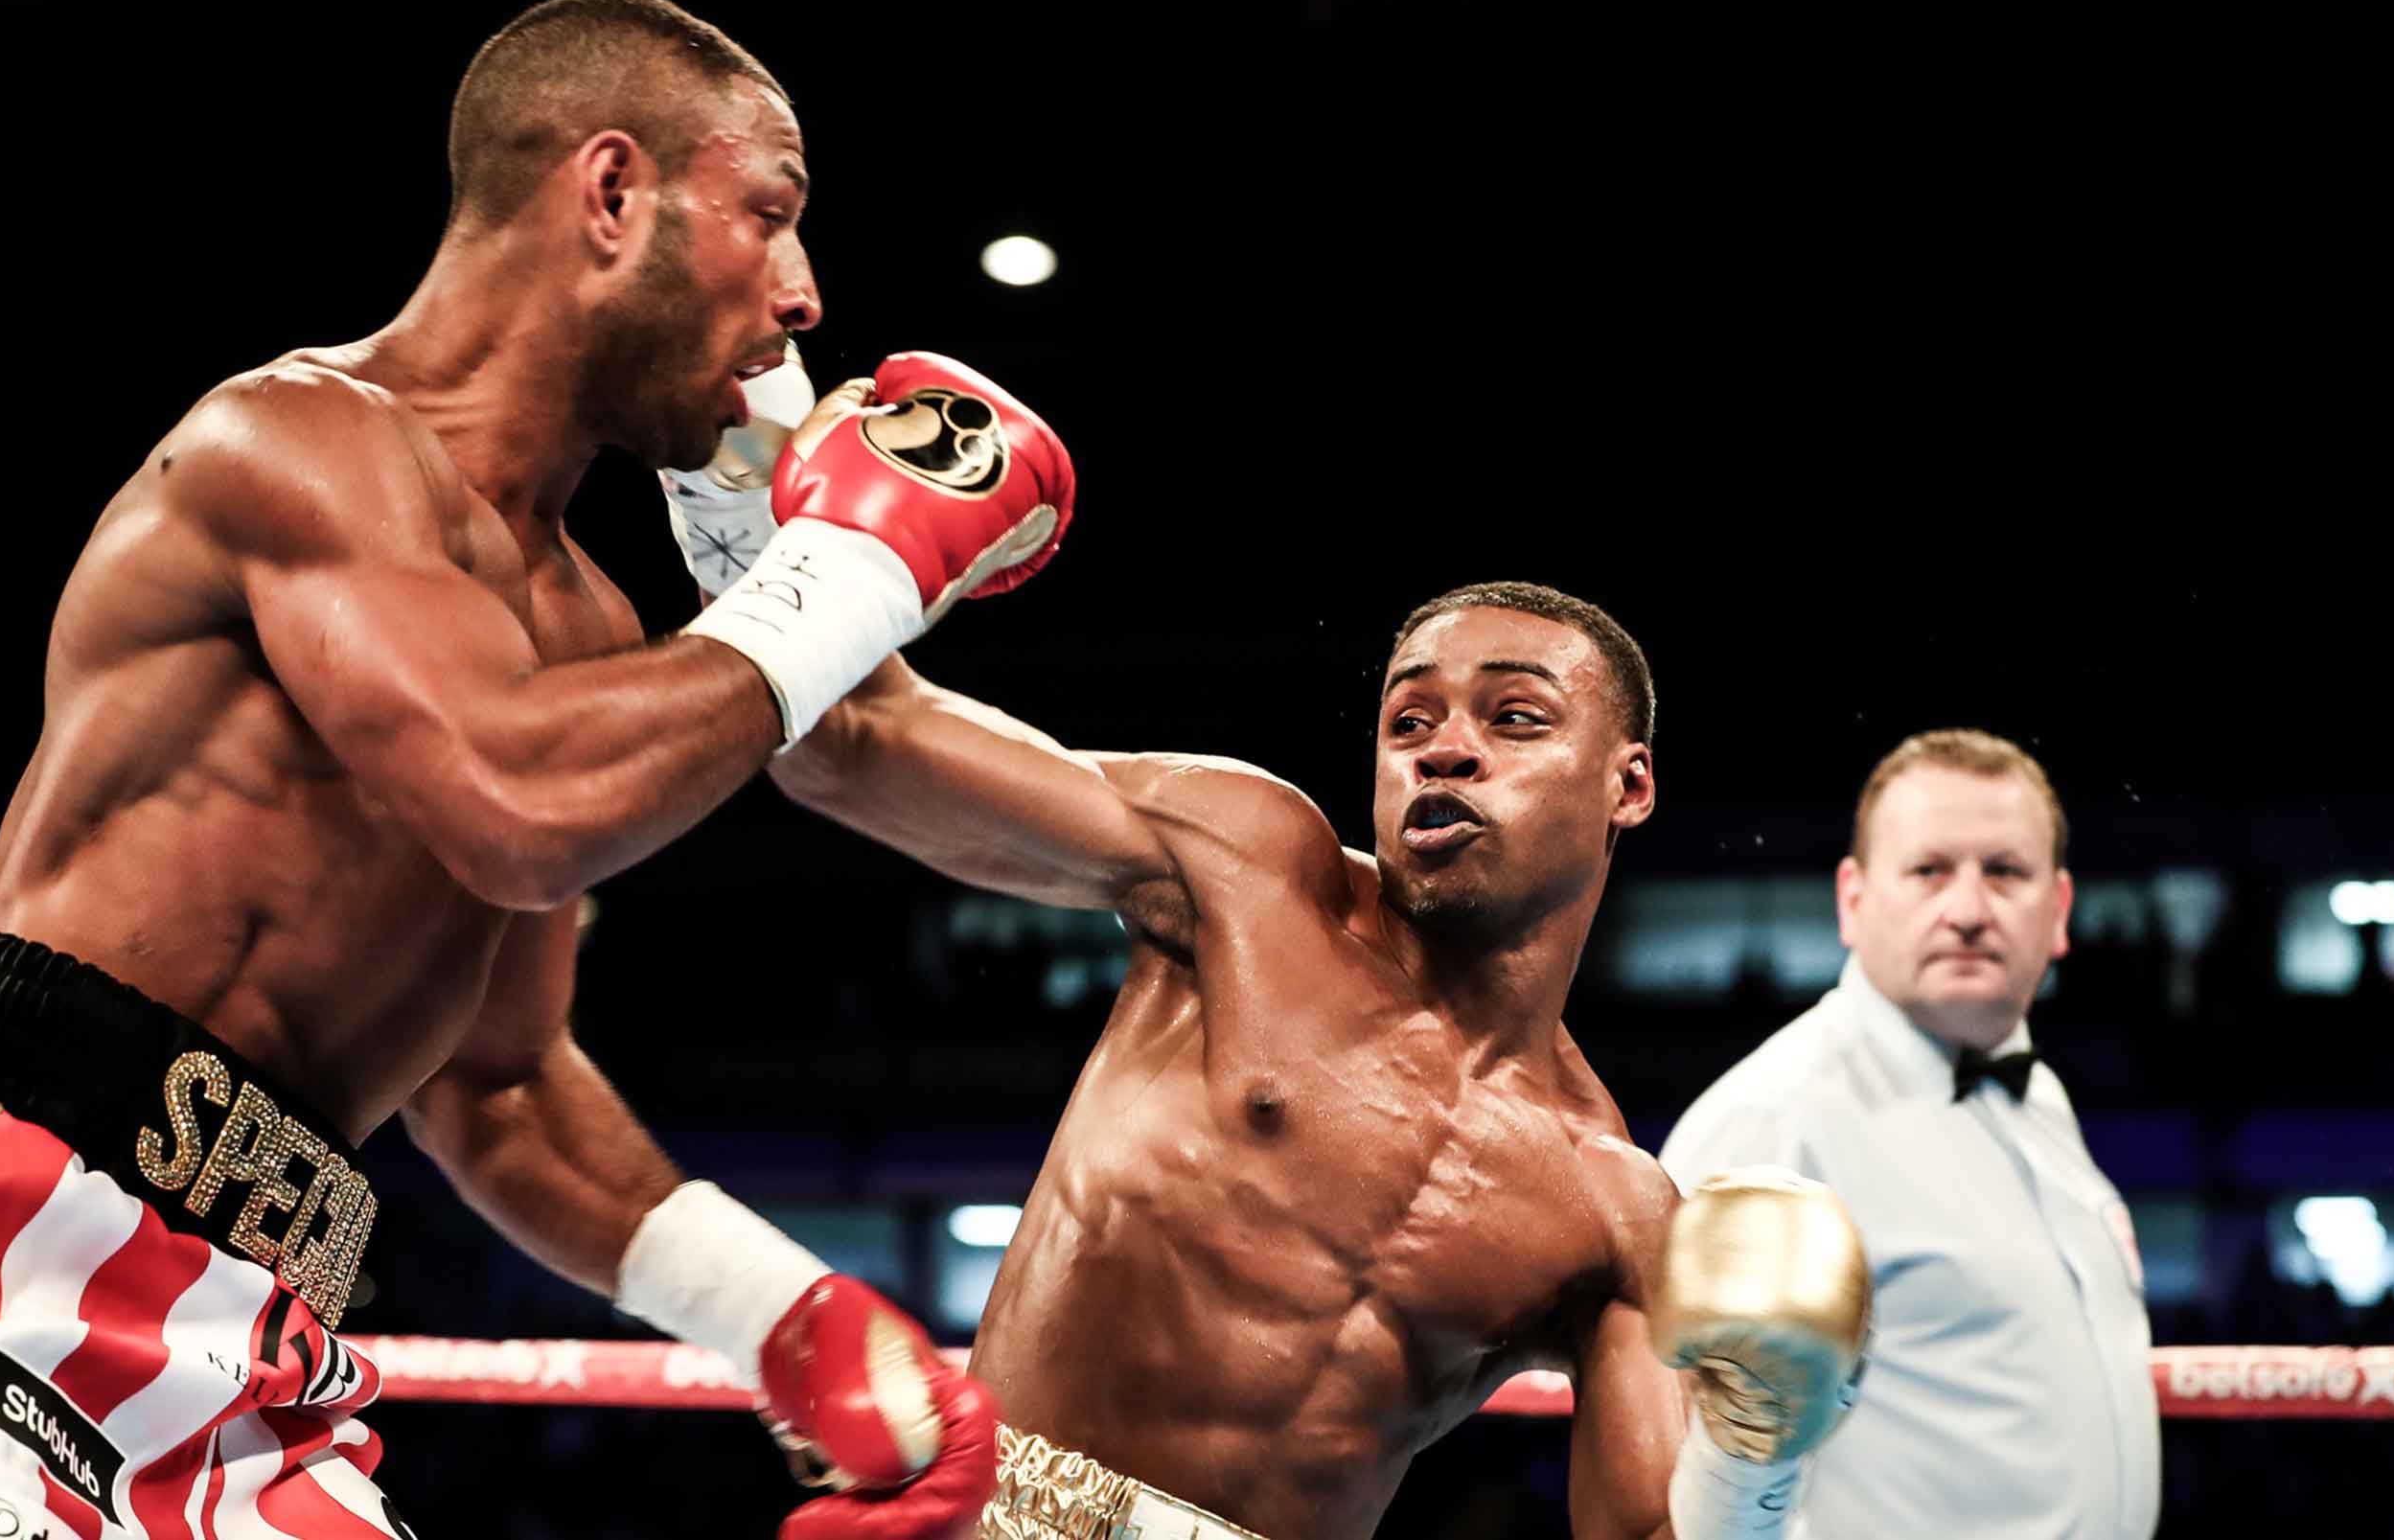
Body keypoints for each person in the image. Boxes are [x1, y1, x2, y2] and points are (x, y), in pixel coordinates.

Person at [0, 0, 1073, 1540]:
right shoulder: (293, 443)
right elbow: (519, 806)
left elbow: (501, 1084)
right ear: (613, 195)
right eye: (774, 216)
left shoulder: (590, 628)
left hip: (263, 1328)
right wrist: (858, 568)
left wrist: (787, 1317)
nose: (809, 296)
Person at [758, 572, 1873, 1540]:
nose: (1446, 746)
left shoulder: (1612, 1206)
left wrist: (1754, 1454)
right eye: (1409, 720)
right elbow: (851, 745)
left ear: (1626, 785)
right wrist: (745, 468)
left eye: (1517, 719)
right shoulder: (1250, 875)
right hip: (997, 1511)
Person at [1660, 729, 2160, 1538]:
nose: (1967, 910)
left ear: (2060, 911)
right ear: (1853, 902)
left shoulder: (2040, 1100)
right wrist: (1743, 1452)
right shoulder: (1772, 1117)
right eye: (1929, 871)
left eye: (2004, 872)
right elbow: (1671, 1492)